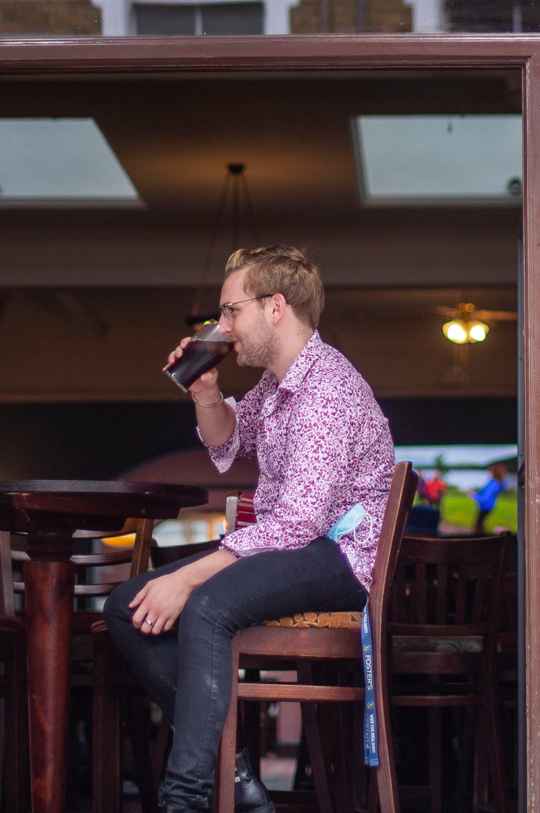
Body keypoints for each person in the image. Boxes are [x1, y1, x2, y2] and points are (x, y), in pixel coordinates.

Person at [105, 245, 395, 813]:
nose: (222, 327)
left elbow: (300, 521)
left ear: (276, 307)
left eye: (231, 311)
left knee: (208, 605)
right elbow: (227, 440)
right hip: (299, 547)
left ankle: (185, 797)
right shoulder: (279, 385)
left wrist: (188, 581)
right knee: (125, 605)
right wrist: (206, 392)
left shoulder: (326, 388)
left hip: (342, 555)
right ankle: (234, 776)